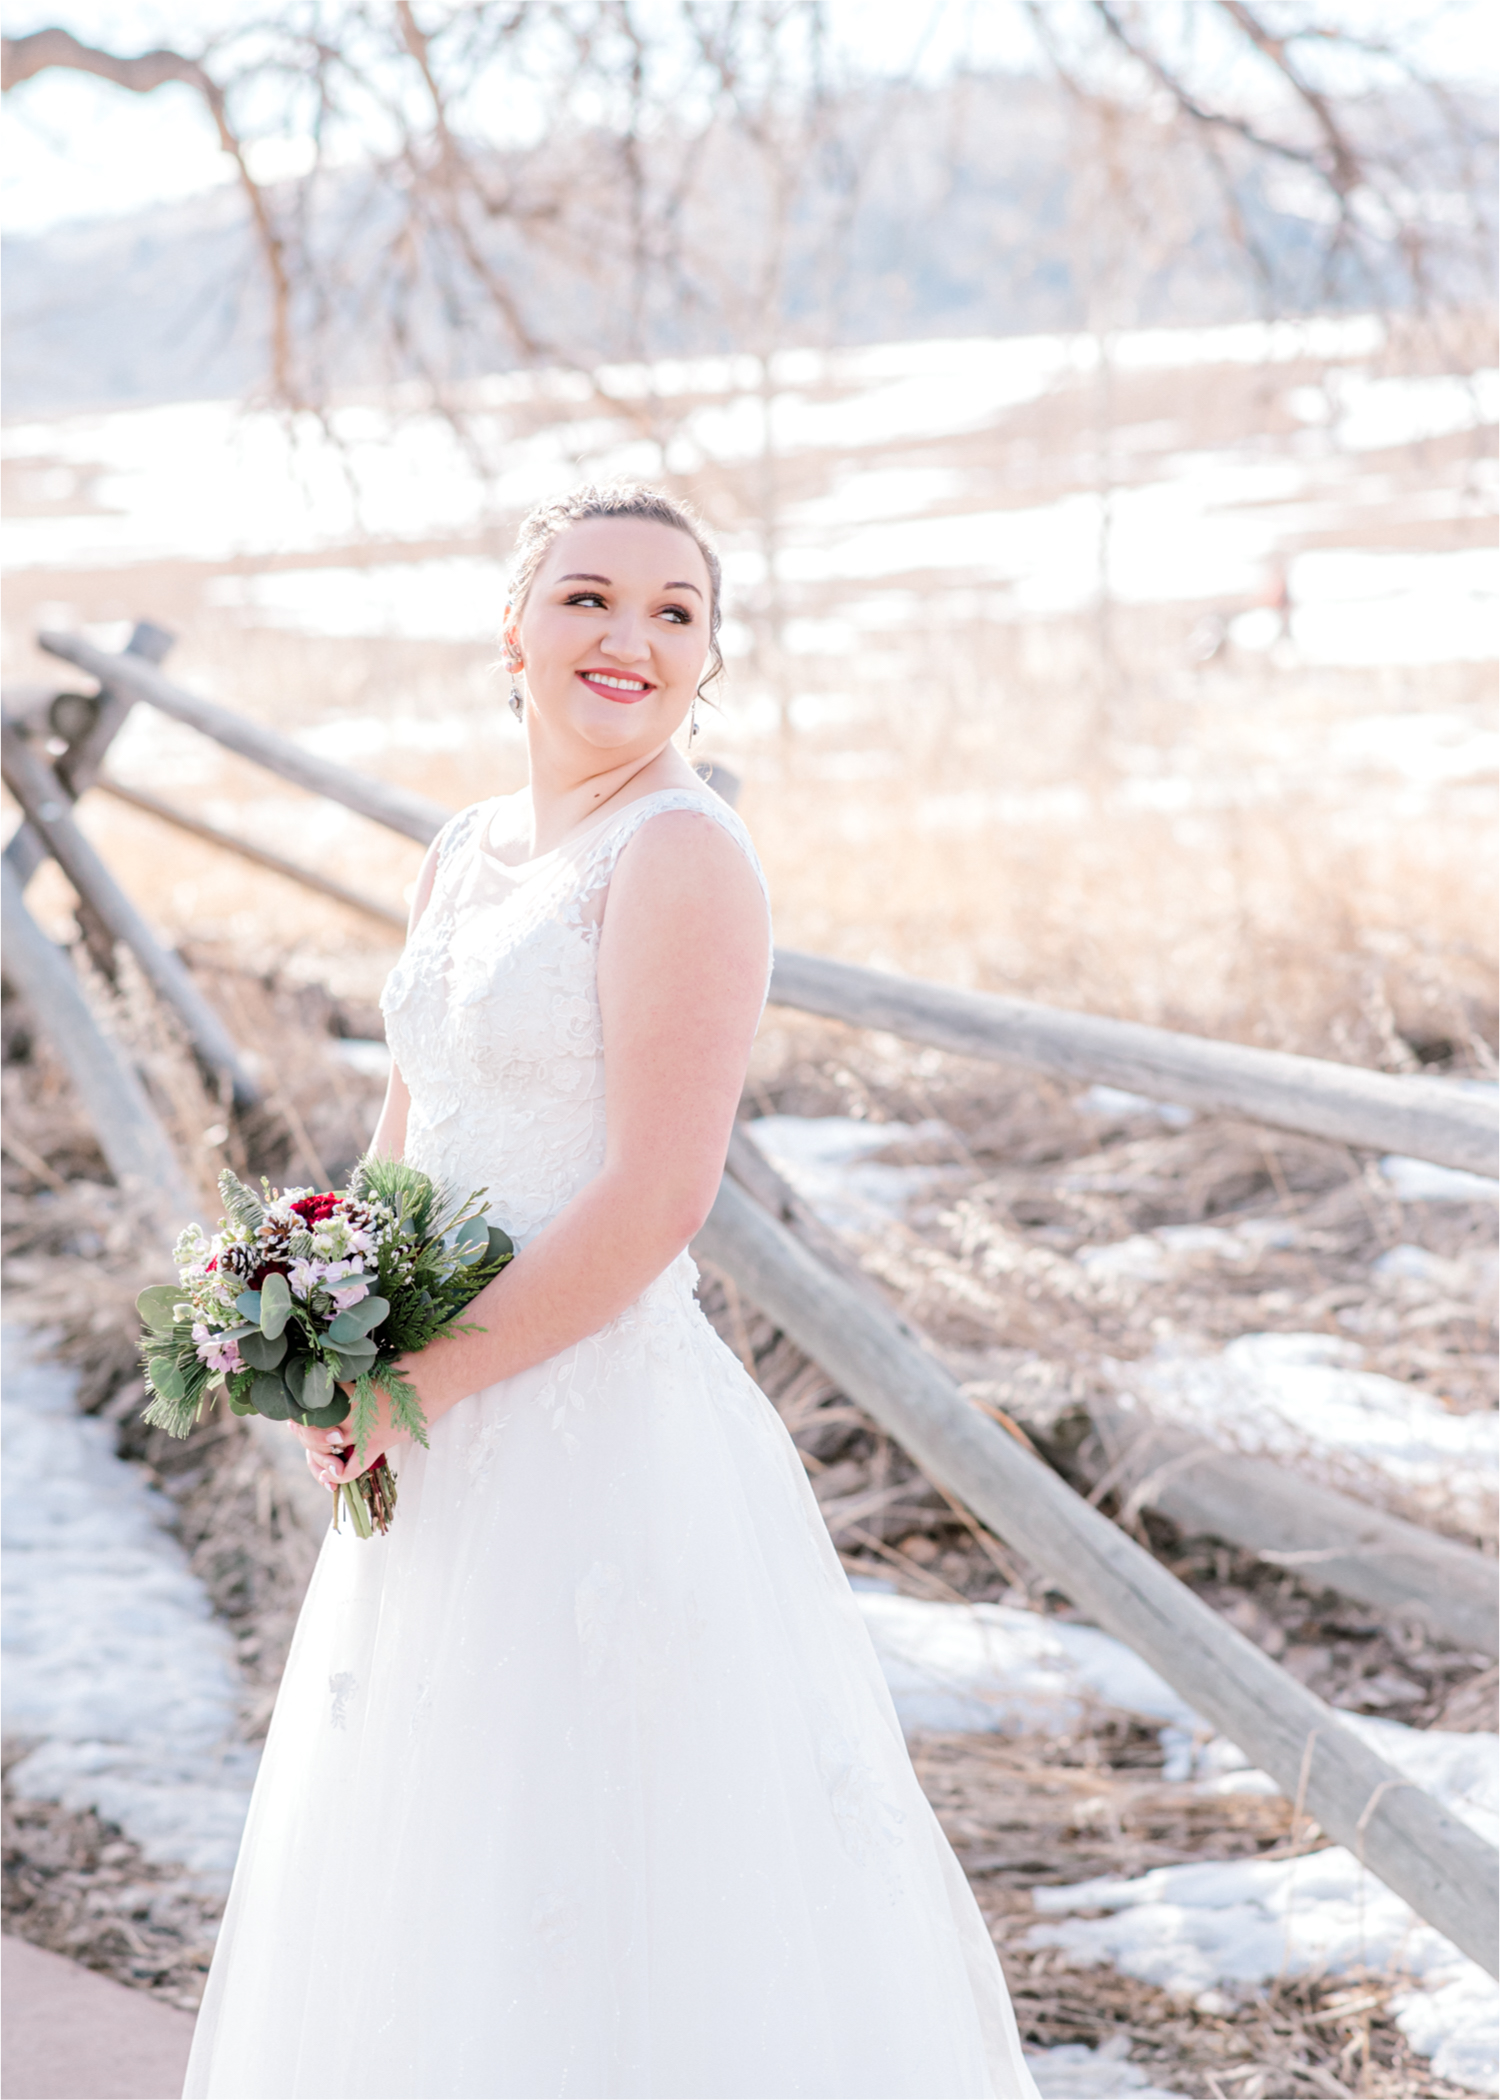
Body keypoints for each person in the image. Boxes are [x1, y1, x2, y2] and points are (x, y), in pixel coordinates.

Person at [183, 483, 1040, 2099]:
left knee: (609, 1875)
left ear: (708, 661)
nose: (627, 637)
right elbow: (406, 1144)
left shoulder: (684, 856)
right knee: (435, 1860)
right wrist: (327, 1330)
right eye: (586, 597)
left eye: (673, 611)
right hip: (433, 1438)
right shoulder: (463, 851)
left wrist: (418, 1381)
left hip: (593, 1443)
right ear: (512, 633)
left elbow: (656, 1198)